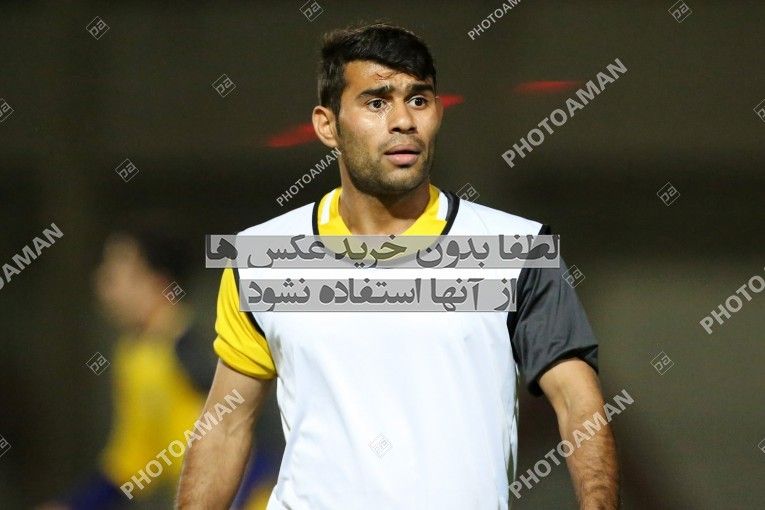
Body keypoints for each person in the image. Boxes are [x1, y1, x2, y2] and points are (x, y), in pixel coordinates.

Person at [176, 22, 618, 509]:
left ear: (438, 113)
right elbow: (225, 426)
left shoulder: (517, 249)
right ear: (327, 125)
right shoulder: (263, 257)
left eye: (419, 99)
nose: (404, 120)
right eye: (376, 102)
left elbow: (577, 403)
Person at [36, 215, 276, 509]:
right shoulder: (135, 357)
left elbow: (250, 434)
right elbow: (132, 460)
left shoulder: (197, 351)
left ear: (157, 282)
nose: (104, 286)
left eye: (116, 274)